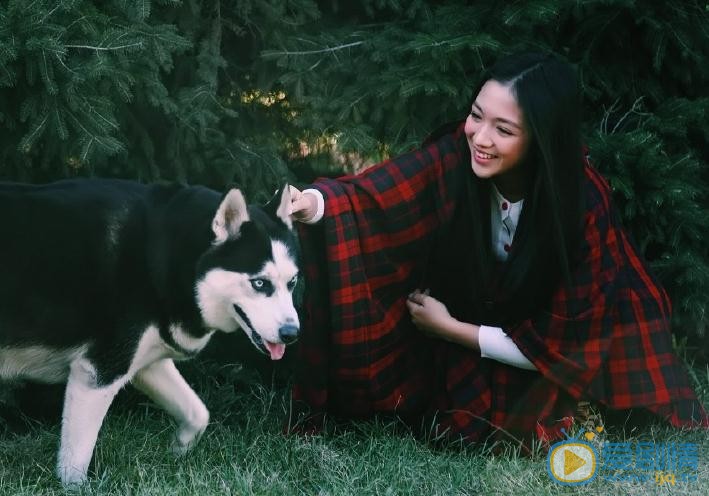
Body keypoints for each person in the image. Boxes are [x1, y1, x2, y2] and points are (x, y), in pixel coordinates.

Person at [287, 51, 708, 447]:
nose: (480, 138)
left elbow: (565, 349)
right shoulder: (459, 153)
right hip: (495, 318)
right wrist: (314, 204)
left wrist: (449, 329)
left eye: (503, 130)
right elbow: (381, 195)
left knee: (535, 423)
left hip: (581, 340)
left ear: (541, 140)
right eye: (475, 116)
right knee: (441, 405)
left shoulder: (581, 205)